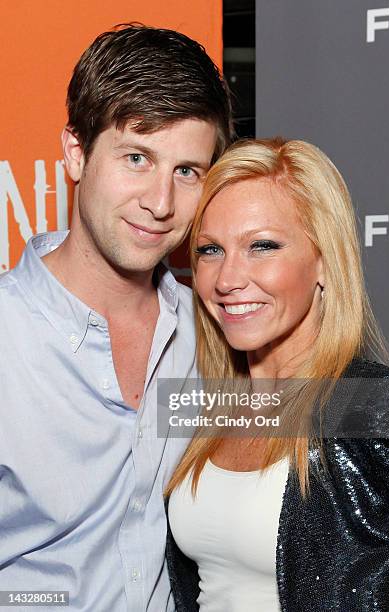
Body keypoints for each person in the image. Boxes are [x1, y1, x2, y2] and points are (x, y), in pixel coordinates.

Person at [0, 25, 233, 611]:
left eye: (187, 171)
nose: (160, 203)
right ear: (76, 153)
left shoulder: (211, 333)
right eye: (137, 158)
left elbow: (318, 413)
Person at [165, 138, 389, 611]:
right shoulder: (208, 407)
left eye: (262, 246)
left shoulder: (374, 407)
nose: (228, 278)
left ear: (323, 260)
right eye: (211, 249)